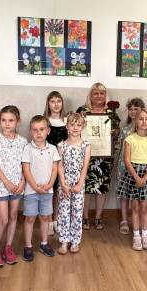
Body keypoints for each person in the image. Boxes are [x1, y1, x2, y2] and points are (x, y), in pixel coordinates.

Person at [0, 105, 27, 268]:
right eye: (4, 120)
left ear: (18, 122)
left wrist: (22, 181)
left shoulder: (23, 141)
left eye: (11, 120)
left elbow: (25, 164)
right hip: (1, 185)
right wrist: (6, 182)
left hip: (17, 185)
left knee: (14, 215)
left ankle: (8, 247)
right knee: (3, 219)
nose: (7, 124)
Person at [77, 82, 120, 230]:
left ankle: (98, 217)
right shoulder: (82, 110)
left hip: (105, 156)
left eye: (102, 93)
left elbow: (117, 132)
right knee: (86, 188)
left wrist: (114, 132)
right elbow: (74, 128)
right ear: (90, 95)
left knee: (101, 188)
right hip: (86, 156)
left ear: (105, 95)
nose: (99, 96)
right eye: (95, 93)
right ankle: (85, 217)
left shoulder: (111, 112)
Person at [117, 109, 147, 251]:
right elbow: (127, 160)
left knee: (144, 207)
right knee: (134, 207)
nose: (144, 121)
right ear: (136, 121)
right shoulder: (130, 139)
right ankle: (136, 235)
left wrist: (144, 178)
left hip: (146, 174)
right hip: (133, 174)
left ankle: (145, 235)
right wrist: (136, 177)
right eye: (141, 119)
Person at [21, 115, 61, 261]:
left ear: (48, 131)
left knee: (45, 217)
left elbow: (55, 169)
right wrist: (34, 186)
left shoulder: (53, 149)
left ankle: (44, 243)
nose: (39, 133)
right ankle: (28, 246)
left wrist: (50, 185)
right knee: (30, 218)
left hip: (47, 191)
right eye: (35, 130)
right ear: (31, 131)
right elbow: (26, 170)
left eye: (42, 129)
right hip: (31, 191)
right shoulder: (27, 149)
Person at [56, 112, 91, 253]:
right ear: (67, 126)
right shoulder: (61, 145)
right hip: (64, 183)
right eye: (72, 124)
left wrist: (80, 183)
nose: (75, 128)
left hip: (78, 184)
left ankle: (75, 241)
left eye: (79, 125)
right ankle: (64, 241)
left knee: (77, 212)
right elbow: (60, 165)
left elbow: (85, 165)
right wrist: (63, 184)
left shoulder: (86, 145)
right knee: (63, 212)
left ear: (83, 127)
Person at [114, 98, 145, 235]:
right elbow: (118, 147)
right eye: (130, 109)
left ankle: (137, 221)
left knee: (138, 194)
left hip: (139, 166)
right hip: (123, 165)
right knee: (124, 193)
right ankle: (124, 220)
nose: (133, 112)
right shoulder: (125, 129)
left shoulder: (145, 129)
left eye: (136, 109)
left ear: (142, 110)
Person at [44, 91, 68, 236]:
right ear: (48, 104)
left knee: (60, 192)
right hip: (48, 163)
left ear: (62, 103)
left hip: (64, 163)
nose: (56, 104)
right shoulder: (44, 121)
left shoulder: (67, 121)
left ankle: (57, 220)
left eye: (58, 101)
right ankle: (48, 222)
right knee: (49, 193)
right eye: (52, 101)